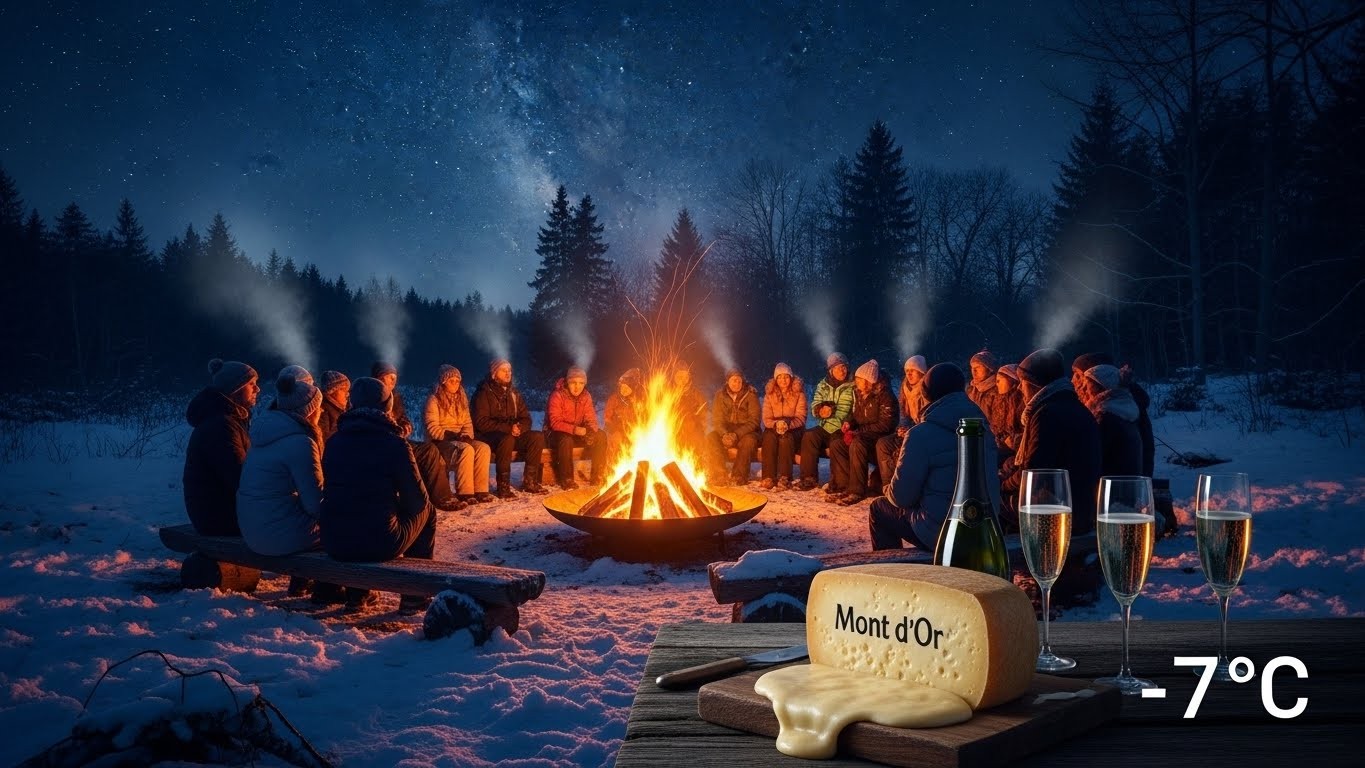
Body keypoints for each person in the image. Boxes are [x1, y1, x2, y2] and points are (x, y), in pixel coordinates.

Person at [321, 376, 435, 613]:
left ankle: (357, 594)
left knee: (356, 508)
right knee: (428, 511)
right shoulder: (394, 444)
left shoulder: (334, 442)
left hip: (335, 540)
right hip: (379, 542)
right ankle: (414, 594)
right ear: (387, 406)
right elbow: (418, 501)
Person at [869, 363, 1000, 550]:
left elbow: (901, 498)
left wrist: (888, 489)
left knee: (879, 509)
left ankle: (891, 572)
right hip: (983, 529)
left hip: (943, 534)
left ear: (927, 394)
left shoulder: (921, 434)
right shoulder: (984, 429)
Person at [1000, 348, 1102, 534]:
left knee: (986, 502)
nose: (1019, 388)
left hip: (1057, 512)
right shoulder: (1076, 407)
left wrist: (1002, 485)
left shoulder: (1046, 414)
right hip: (1080, 508)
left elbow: (1032, 472)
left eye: (1022, 382)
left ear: (1033, 384)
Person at [237, 374, 324, 557]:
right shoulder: (300, 443)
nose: (322, 411)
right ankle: (340, 583)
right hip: (280, 536)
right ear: (309, 411)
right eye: (318, 407)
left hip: (253, 532)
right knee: (351, 529)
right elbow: (316, 505)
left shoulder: (263, 435)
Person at [183, 358, 259, 536]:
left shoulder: (230, 421)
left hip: (223, 512)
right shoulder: (221, 426)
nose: (258, 389)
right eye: (252, 384)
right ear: (236, 388)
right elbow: (240, 477)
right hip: (219, 518)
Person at [473, 358, 548, 497]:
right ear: (494, 373)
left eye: (509, 370)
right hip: (489, 437)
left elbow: (526, 417)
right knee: (507, 439)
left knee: (537, 437)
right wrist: (508, 428)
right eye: (504, 370)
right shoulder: (483, 393)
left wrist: (519, 427)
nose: (508, 373)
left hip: (511, 434)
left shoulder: (514, 393)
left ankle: (530, 481)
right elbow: (481, 422)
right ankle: (503, 486)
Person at [1072, 352, 1155, 477]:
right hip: (1128, 487)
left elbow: (1089, 462)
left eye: (1079, 377)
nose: (1076, 383)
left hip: (1110, 490)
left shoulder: (1106, 417)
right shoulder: (1125, 410)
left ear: (1096, 384)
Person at [826, 360, 896, 505]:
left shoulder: (885, 396)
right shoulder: (859, 394)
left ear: (868, 381)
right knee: (837, 444)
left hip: (879, 438)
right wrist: (849, 423)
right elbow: (855, 416)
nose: (856, 382)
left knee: (857, 444)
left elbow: (886, 424)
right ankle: (844, 485)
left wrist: (859, 432)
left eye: (859, 379)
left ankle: (857, 490)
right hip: (863, 434)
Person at [423, 365, 496, 505]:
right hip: (440, 441)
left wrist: (466, 435)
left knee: (483, 448)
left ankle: (481, 490)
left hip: (459, 438)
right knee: (466, 450)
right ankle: (465, 492)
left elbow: (467, 423)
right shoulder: (434, 400)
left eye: (458, 380)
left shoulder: (461, 399)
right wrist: (452, 436)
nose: (456, 383)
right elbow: (432, 428)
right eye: (452, 380)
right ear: (443, 382)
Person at [798, 353, 855, 491]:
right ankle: (809, 478)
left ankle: (838, 482)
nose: (842, 370)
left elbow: (856, 409)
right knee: (810, 436)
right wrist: (820, 410)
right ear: (831, 370)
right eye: (838, 368)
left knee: (836, 443)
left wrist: (849, 422)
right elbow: (815, 404)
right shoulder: (823, 385)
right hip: (826, 426)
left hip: (843, 428)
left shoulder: (853, 385)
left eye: (844, 367)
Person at [546, 366, 607, 489]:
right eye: (573, 382)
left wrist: (590, 432)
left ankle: (597, 476)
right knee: (566, 439)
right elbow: (555, 422)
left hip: (577, 433)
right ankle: (567, 479)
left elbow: (591, 419)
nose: (577, 386)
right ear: (567, 382)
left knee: (600, 435)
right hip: (555, 433)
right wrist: (575, 430)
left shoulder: (586, 396)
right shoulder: (557, 395)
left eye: (581, 383)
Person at [876, 355, 927, 488]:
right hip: (911, 430)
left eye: (913, 370)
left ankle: (906, 488)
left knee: (905, 450)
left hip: (924, 432)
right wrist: (902, 427)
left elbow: (930, 418)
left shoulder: (928, 389)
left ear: (921, 372)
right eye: (906, 371)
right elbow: (904, 414)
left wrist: (911, 430)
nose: (909, 373)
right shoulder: (905, 388)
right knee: (883, 444)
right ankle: (888, 486)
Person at [707, 367, 760, 485]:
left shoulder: (750, 395)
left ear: (743, 382)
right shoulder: (720, 395)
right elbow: (717, 419)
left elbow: (754, 421)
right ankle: (719, 474)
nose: (737, 383)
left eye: (739, 381)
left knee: (748, 442)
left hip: (747, 430)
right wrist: (724, 434)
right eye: (734, 380)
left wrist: (736, 435)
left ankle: (739, 476)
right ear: (728, 381)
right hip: (726, 430)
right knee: (712, 437)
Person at [760, 363, 806, 490]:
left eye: (786, 377)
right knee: (768, 437)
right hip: (774, 426)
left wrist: (787, 424)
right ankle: (768, 476)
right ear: (776, 379)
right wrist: (776, 424)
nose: (783, 380)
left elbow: (801, 417)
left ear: (791, 378)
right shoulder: (769, 394)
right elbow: (766, 418)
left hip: (793, 428)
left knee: (786, 439)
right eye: (780, 377)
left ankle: (785, 477)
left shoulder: (799, 394)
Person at [604, 367, 645, 466]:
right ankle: (611, 467)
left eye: (627, 388)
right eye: (622, 387)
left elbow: (642, 418)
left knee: (637, 442)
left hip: (631, 430)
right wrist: (614, 430)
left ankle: (631, 466)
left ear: (633, 389)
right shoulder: (614, 399)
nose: (624, 390)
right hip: (614, 430)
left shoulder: (637, 401)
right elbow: (607, 419)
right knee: (616, 441)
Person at [671, 362, 709, 463]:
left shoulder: (696, 394)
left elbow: (703, 415)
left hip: (693, 430)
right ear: (674, 377)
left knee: (695, 436)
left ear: (689, 378)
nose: (682, 380)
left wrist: (695, 423)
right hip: (673, 430)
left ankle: (696, 465)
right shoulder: (668, 394)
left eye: (685, 376)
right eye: (679, 376)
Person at [371, 361, 414, 438]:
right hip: (379, 440)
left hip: (395, 439)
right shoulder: (370, 397)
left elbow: (402, 417)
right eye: (384, 379)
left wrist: (404, 426)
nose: (391, 383)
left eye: (393, 379)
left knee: (428, 448)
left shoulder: (395, 397)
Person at [993, 363, 1025, 461]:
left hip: (1017, 452)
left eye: (1000, 379)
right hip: (1002, 447)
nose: (996, 383)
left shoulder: (1021, 401)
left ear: (1012, 379)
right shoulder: (998, 400)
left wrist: (1014, 440)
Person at [317, 370, 350, 442]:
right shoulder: (323, 411)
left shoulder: (339, 409)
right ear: (332, 391)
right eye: (344, 389)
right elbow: (323, 439)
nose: (347, 394)